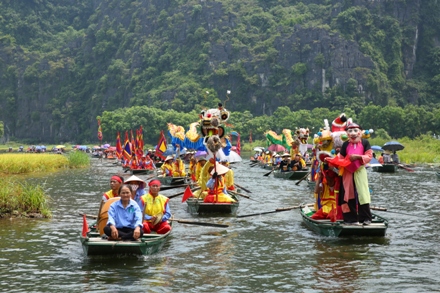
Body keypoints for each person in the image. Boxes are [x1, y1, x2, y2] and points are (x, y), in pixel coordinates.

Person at [332, 122, 373, 225]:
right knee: (348, 195)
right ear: (347, 133)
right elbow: (340, 158)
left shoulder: (365, 142)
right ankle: (351, 219)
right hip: (347, 172)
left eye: (355, 131)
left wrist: (358, 157)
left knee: (363, 194)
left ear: (360, 132)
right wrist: (332, 161)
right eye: (350, 131)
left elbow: (369, 156)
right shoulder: (345, 144)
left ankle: (366, 219)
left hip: (360, 171)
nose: (353, 133)